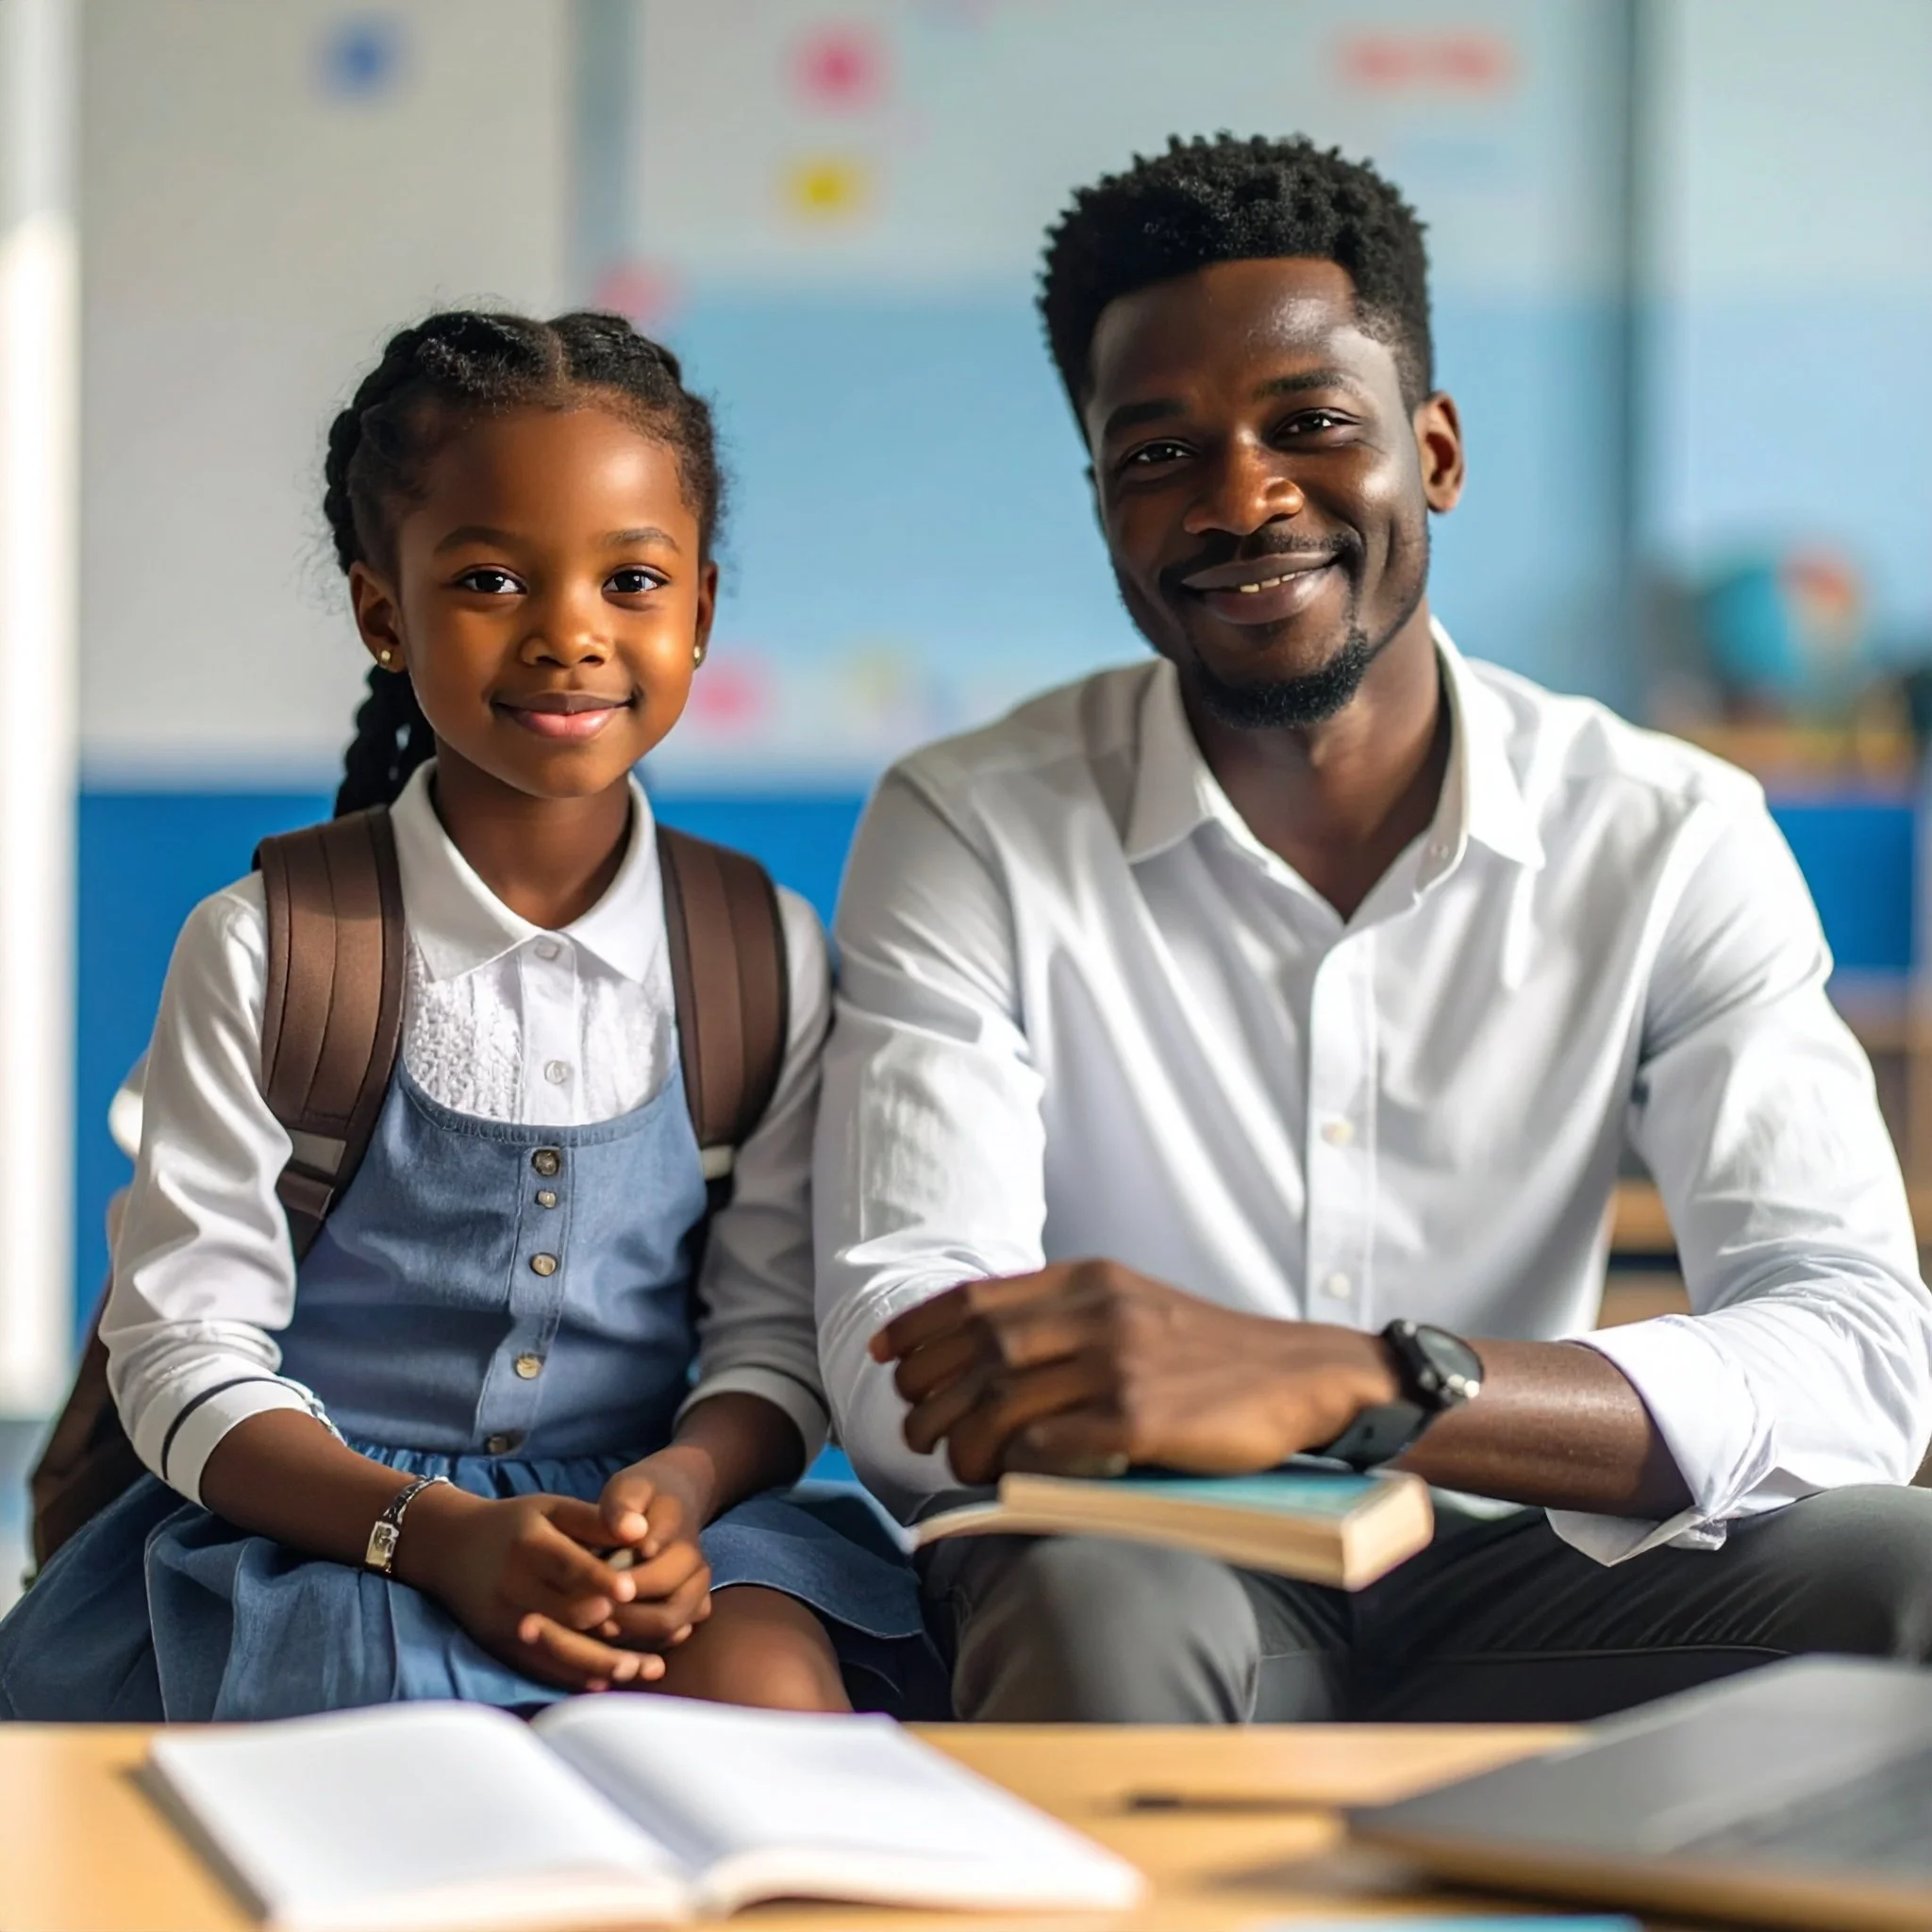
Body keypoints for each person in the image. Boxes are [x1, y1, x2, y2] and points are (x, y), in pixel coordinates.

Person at [815, 136, 1932, 1724]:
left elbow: (1857, 1346)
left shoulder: (1670, 833)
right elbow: (892, 1337)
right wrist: (1144, 1398)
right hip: (1144, 1550)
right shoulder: (971, 822)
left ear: (1436, 451)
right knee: (1089, 1610)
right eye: (1158, 455)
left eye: (1311, 426)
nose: (1242, 498)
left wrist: (1369, 1384)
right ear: (1101, 504)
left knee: (1912, 1577)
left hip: (1529, 1551)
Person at [0, 309, 927, 1723]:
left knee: (774, 1707)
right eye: (493, 578)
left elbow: (772, 1336)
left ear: (701, 613)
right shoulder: (268, 949)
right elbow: (181, 1353)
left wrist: (674, 1498)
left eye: (632, 579)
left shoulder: (758, 953)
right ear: (386, 614)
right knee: (385, 1746)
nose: (570, 633)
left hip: (651, 1531)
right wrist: (428, 1535)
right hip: (324, 1531)